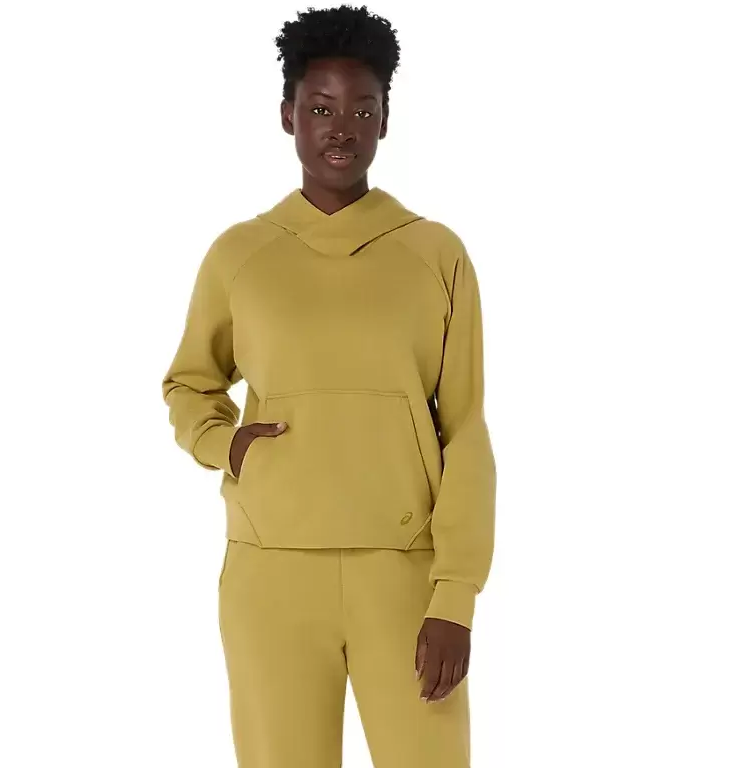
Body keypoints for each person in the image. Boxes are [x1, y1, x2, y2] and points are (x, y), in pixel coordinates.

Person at [161, 5, 496, 766]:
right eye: (320, 108)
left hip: (405, 574)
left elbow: (466, 427)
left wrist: (455, 596)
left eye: (361, 109)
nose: (341, 128)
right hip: (271, 573)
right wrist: (222, 443)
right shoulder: (240, 255)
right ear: (287, 115)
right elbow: (189, 382)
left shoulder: (435, 254)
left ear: (385, 120)